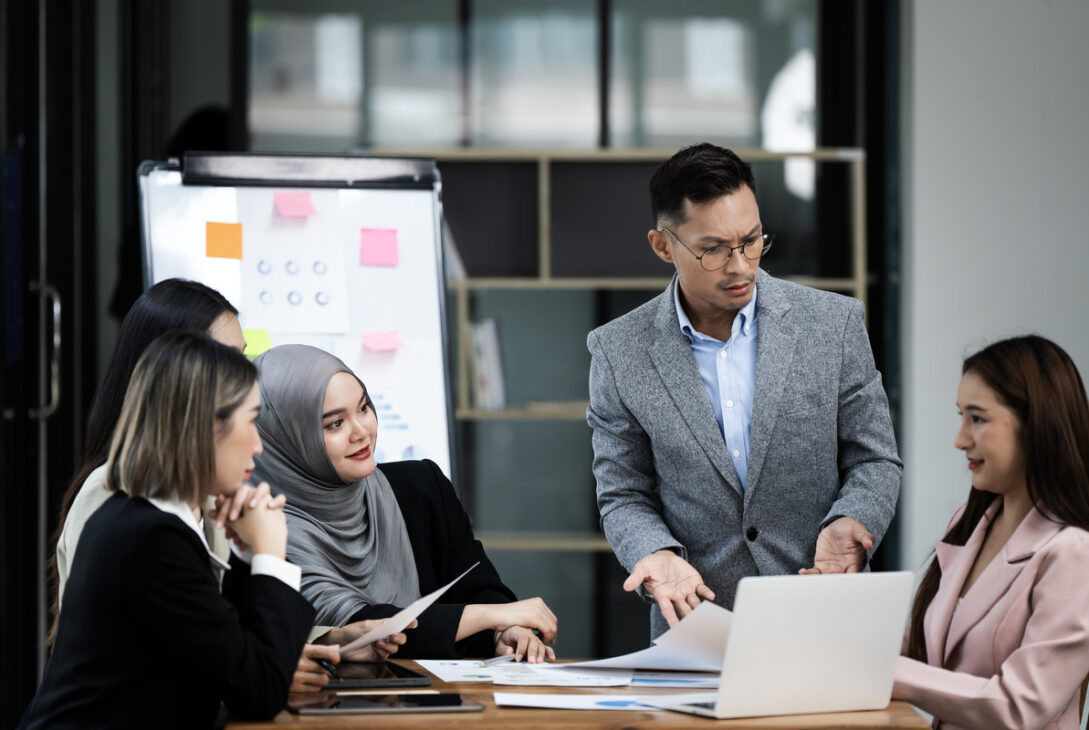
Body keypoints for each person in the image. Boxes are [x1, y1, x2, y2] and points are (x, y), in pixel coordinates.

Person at [587, 143, 902, 638]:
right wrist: (655, 553)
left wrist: (852, 520)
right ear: (663, 246)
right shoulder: (618, 351)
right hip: (696, 627)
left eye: (752, 240)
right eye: (713, 249)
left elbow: (874, 460)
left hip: (824, 613)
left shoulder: (834, 325)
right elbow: (623, 493)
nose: (740, 266)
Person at [51, 278, 395, 692]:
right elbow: (207, 664)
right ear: (187, 385)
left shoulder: (196, 498)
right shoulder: (118, 500)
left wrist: (331, 640)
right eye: (227, 360)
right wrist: (271, 553)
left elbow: (211, 634)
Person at [20, 332, 314, 728]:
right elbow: (257, 690)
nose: (259, 446)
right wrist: (270, 555)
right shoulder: (150, 540)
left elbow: (234, 654)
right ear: (204, 428)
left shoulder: (141, 520)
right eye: (251, 421)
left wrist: (246, 553)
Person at [252, 344, 558, 663]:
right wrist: (493, 616)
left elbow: (480, 587)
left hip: (449, 702)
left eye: (364, 408)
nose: (361, 431)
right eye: (334, 424)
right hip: (329, 707)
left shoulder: (422, 487)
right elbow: (365, 625)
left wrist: (505, 631)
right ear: (287, 439)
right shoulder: (267, 524)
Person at [893, 336, 1089, 730]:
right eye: (961, 416)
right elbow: (940, 649)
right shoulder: (970, 523)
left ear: (1037, 423)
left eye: (977, 418)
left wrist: (892, 673)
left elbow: (1020, 705)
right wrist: (840, 625)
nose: (960, 439)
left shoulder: (1073, 553)